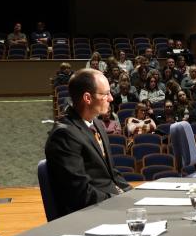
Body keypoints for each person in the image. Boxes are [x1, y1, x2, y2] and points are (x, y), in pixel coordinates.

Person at [44, 68, 131, 217]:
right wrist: (119, 201)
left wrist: (132, 195)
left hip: (110, 204)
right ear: (87, 98)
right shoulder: (64, 135)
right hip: (91, 215)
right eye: (106, 94)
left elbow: (112, 174)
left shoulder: (95, 123)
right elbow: (79, 193)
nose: (111, 98)